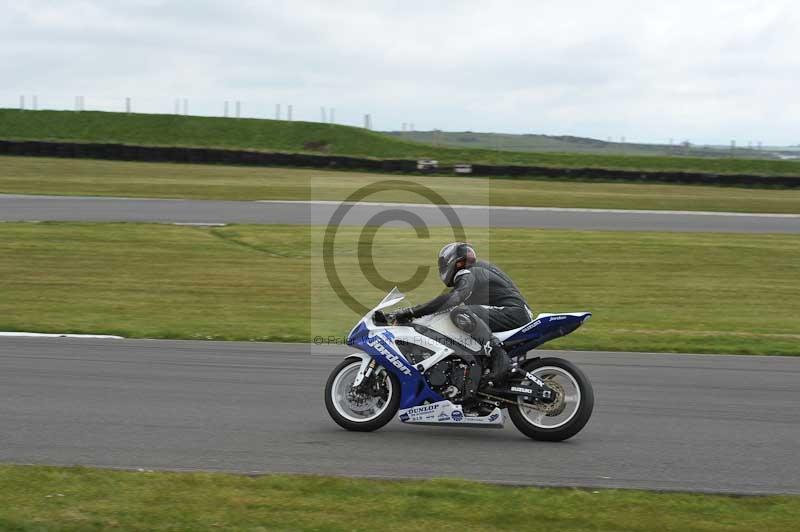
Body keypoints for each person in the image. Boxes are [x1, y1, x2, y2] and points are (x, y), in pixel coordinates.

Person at [388, 242, 532, 385]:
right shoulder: (477, 270)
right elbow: (442, 304)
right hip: (513, 313)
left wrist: (411, 312)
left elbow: (454, 299)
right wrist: (413, 314)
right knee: (456, 318)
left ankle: (498, 355)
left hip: (512, 313)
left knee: (460, 313)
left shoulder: (469, 272)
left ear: (452, 262)